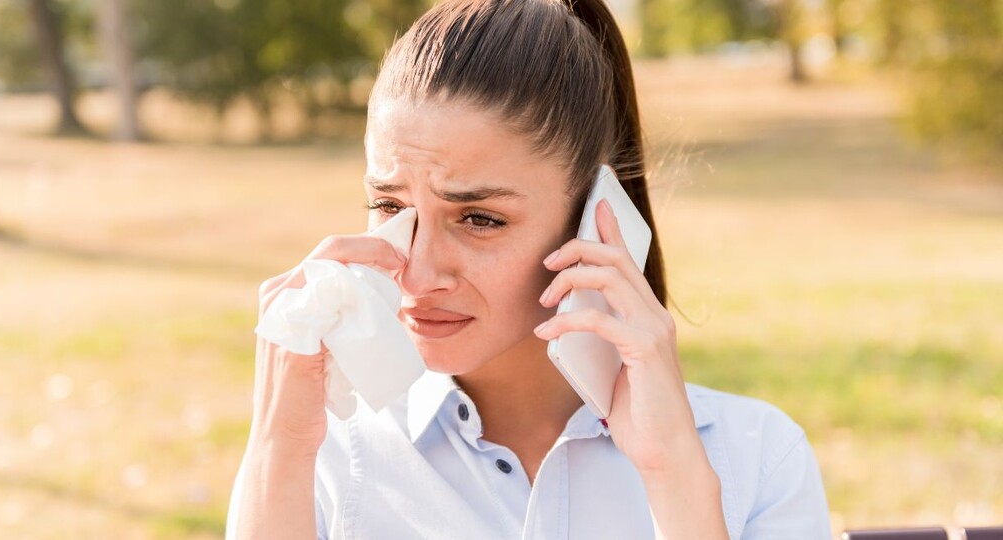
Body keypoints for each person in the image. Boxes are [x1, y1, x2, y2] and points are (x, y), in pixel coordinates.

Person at [225, 0, 831, 538]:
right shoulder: (324, 454)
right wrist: (276, 446)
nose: (418, 273)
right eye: (390, 206)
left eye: (480, 219)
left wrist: (672, 472)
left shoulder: (755, 457)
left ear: (596, 219)